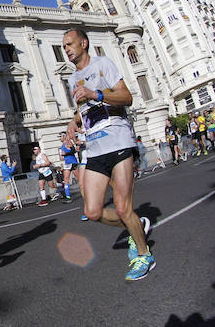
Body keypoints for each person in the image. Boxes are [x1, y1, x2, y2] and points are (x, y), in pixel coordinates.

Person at [62, 28, 154, 281]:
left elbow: (126, 97)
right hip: (94, 148)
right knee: (92, 211)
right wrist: (74, 122)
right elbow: (86, 109)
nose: (67, 49)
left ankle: (143, 254)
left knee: (124, 208)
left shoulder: (104, 64)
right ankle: (137, 226)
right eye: (64, 46)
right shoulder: (72, 79)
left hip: (118, 140)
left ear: (84, 43)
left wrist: (96, 93)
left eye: (70, 44)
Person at [59, 132, 79, 203]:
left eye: (60, 136)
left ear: (64, 136)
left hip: (72, 162)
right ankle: (68, 197)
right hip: (67, 163)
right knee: (66, 179)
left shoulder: (68, 142)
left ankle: (87, 191)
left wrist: (65, 154)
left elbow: (74, 151)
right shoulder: (63, 144)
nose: (59, 138)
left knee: (79, 178)